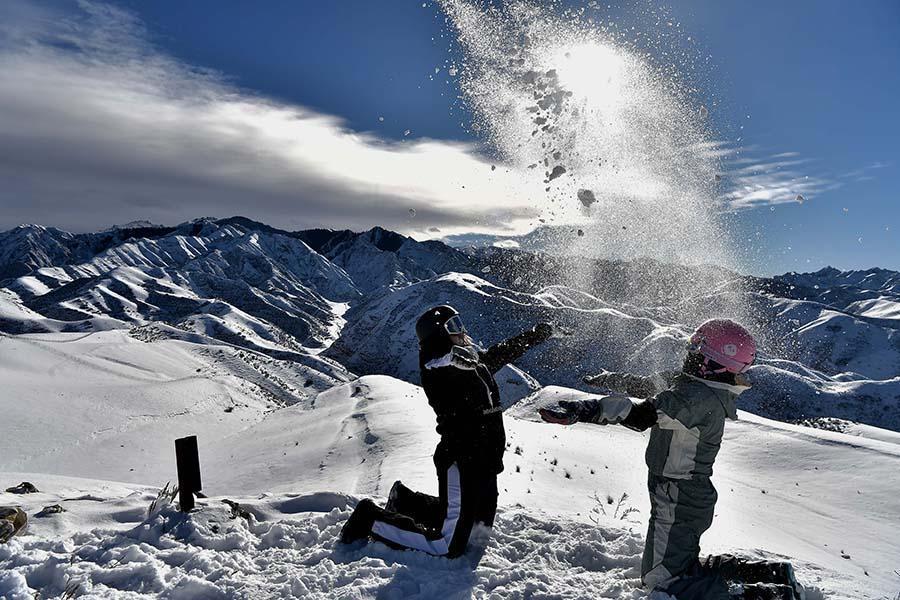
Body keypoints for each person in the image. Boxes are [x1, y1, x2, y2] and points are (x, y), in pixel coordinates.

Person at [540, 319, 803, 600]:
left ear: (713, 361)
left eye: (697, 348)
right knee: (675, 566)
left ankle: (766, 595)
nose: (689, 352)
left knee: (663, 582)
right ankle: (769, 574)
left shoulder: (696, 399)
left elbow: (641, 414)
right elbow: (648, 385)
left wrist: (586, 409)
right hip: (681, 491)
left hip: (678, 493)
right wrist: (608, 379)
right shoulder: (695, 384)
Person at [340, 305, 553, 558]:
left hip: (486, 459)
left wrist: (536, 335)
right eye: (453, 327)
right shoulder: (439, 367)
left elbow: (500, 354)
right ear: (438, 335)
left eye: (459, 323)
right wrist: (448, 358)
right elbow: (432, 363)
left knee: (477, 529)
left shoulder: (472, 363)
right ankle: (369, 518)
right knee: (449, 546)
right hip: (462, 459)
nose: (461, 331)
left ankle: (406, 502)